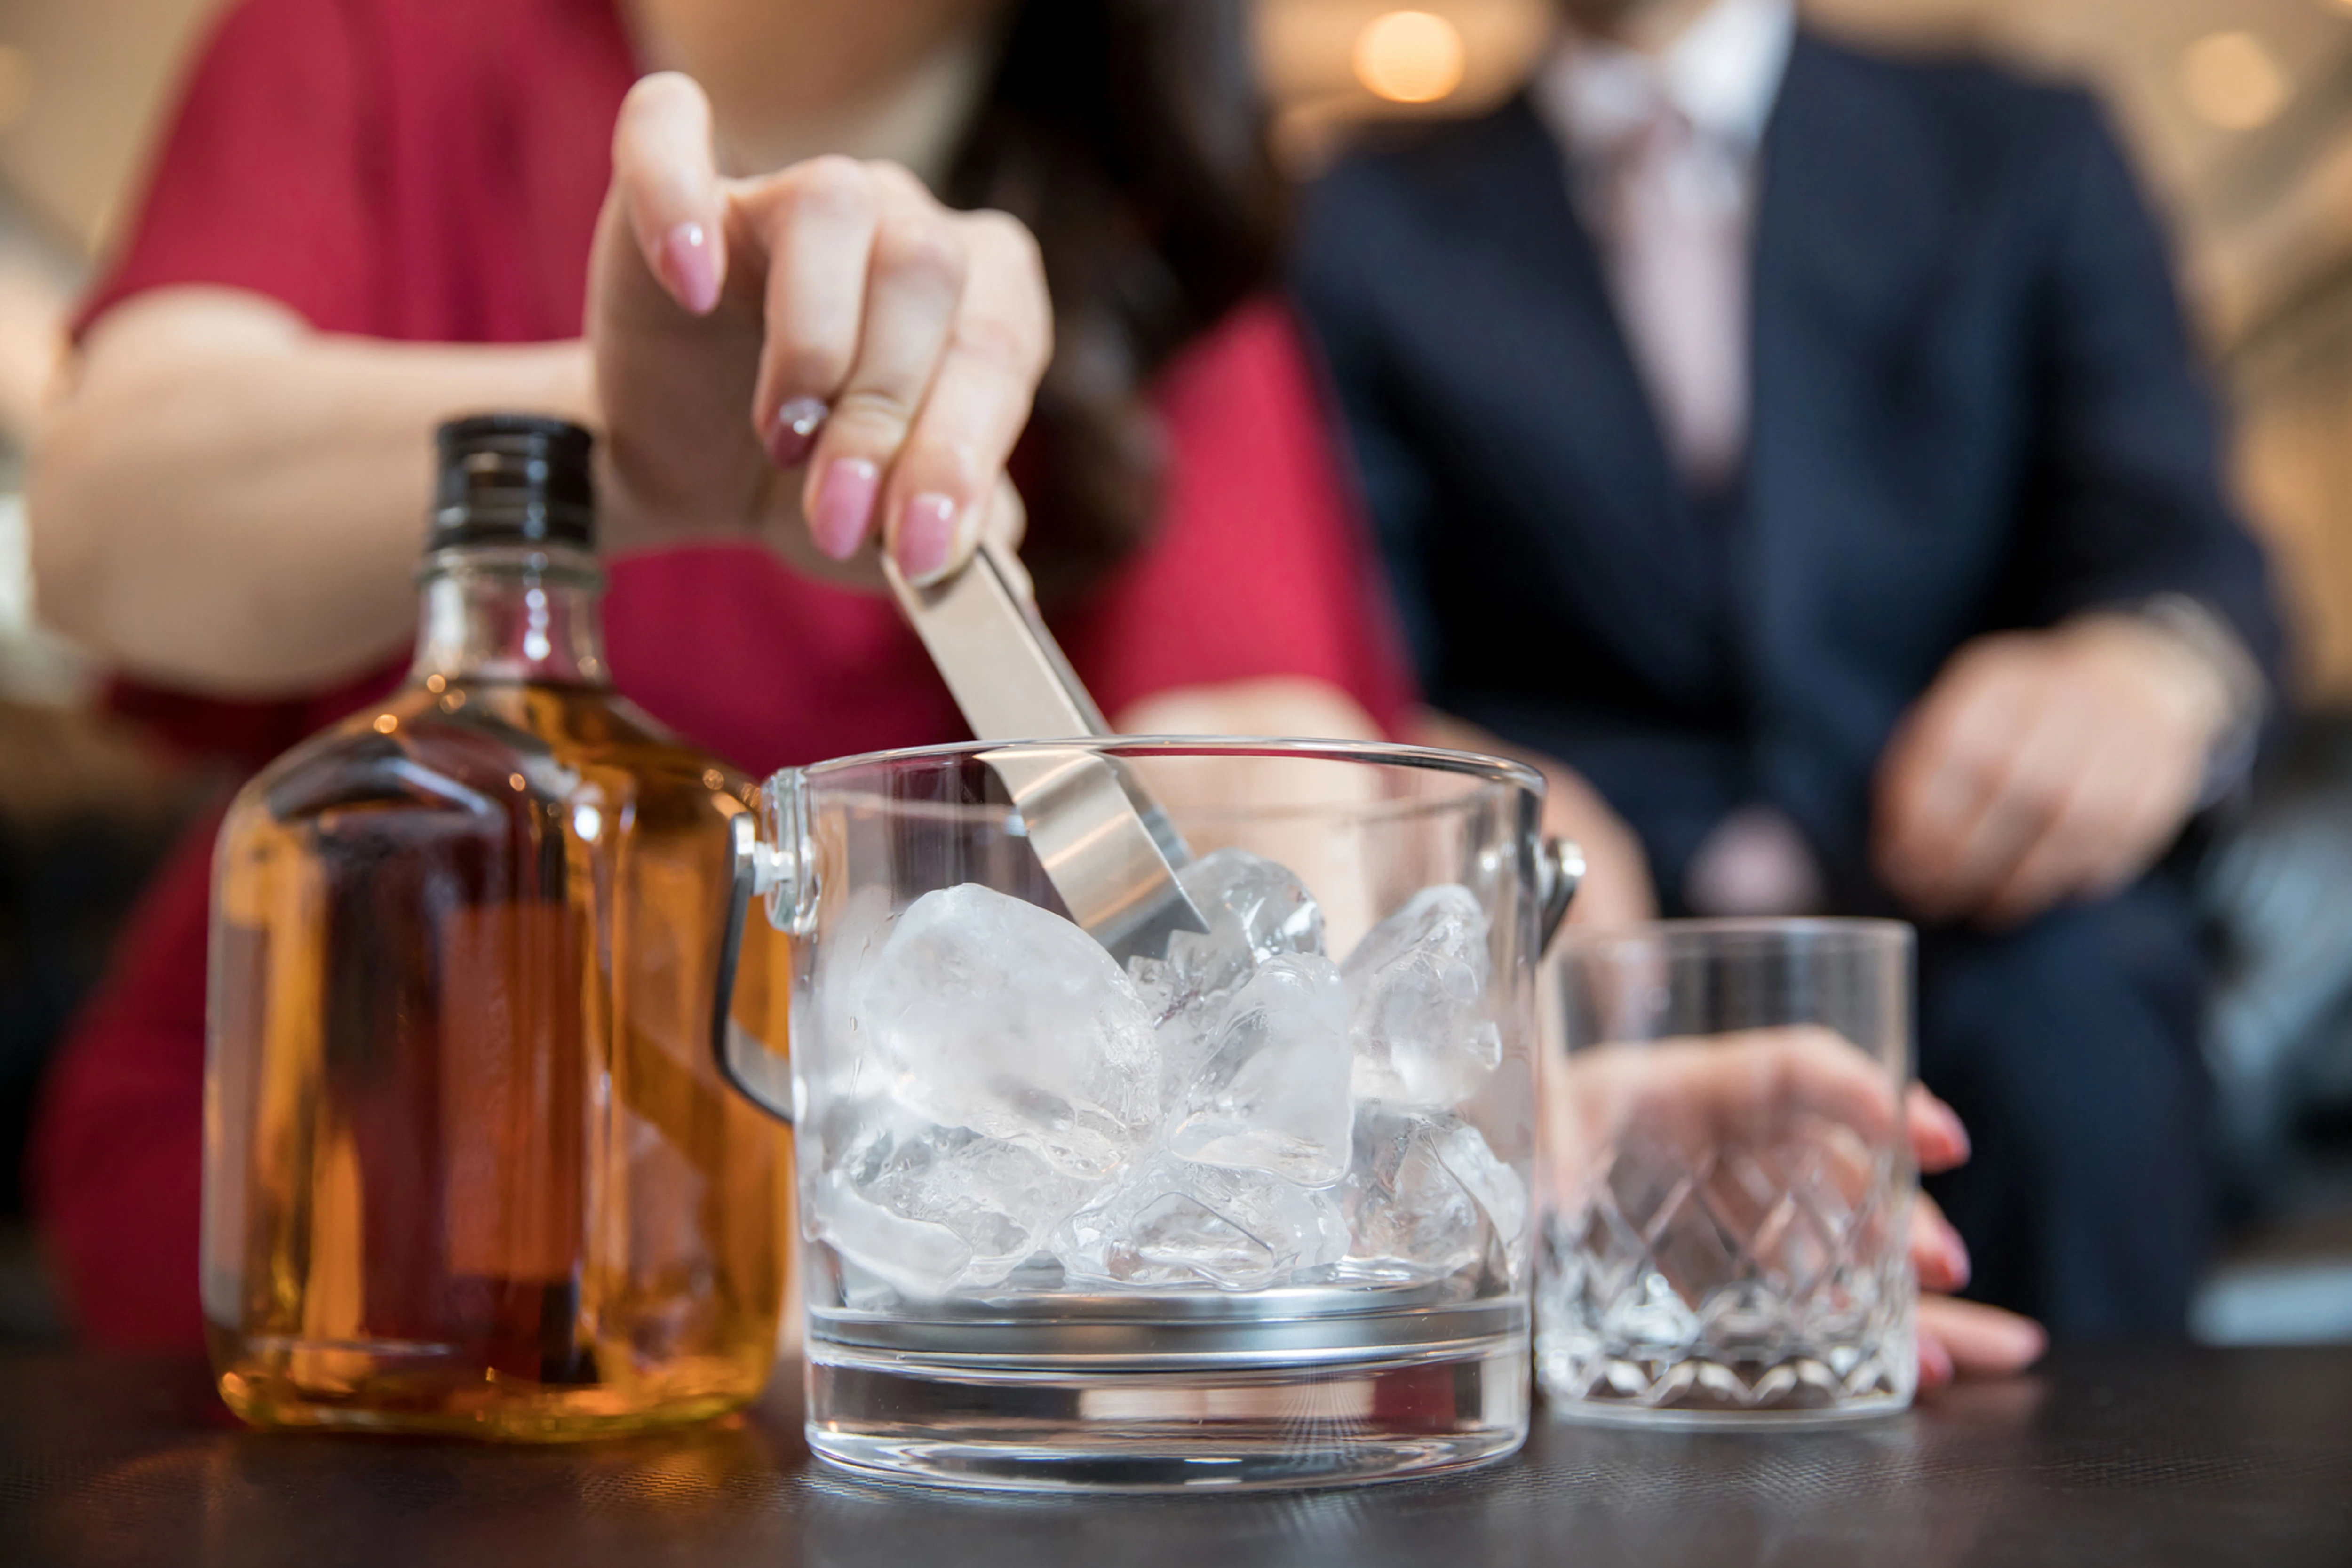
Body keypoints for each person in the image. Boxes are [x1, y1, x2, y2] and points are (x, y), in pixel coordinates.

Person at [28, 0, 1428, 1350]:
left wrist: (1224, 1225)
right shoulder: (375, 32)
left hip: (848, 1291)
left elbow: (1258, 770)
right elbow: (99, 536)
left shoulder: (1160, 232)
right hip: (326, 1198)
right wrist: (617, 449)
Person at [1295, 0, 2285, 1336]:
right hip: (1584, 935)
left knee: (2083, 1025)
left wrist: (2146, 671)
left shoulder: (2022, 145)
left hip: (1971, 909)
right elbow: (1347, 626)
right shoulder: (1354, 217)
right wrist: (1474, 782)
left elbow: (2183, 550)